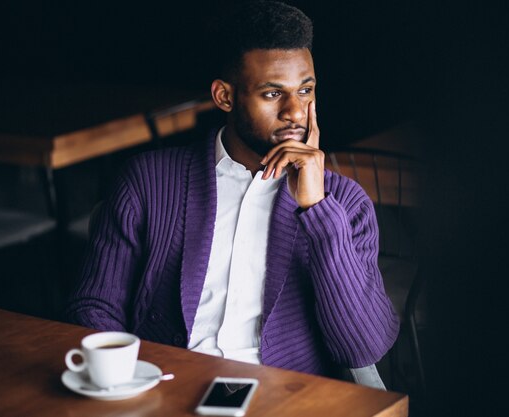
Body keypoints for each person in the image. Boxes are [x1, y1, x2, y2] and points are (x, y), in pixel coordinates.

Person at [66, 0, 398, 377]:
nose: (295, 111)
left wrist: (317, 208)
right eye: (273, 94)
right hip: (161, 388)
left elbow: (363, 349)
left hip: (284, 398)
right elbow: (93, 305)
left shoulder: (345, 204)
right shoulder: (148, 181)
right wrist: (121, 382)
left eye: (305, 91)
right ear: (224, 96)